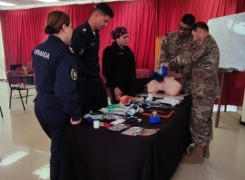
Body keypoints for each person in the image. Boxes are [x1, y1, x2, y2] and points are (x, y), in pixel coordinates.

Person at [32, 11, 82, 180]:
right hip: (55, 107)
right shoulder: (64, 53)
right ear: (64, 27)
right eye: (71, 25)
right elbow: (65, 89)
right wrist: (75, 113)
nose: (73, 29)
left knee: (57, 145)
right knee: (59, 150)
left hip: (40, 103)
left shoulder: (39, 48)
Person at [164, 22, 220, 164]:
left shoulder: (204, 43)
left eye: (193, 34)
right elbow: (195, 65)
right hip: (207, 89)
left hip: (203, 90)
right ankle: (205, 150)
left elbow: (186, 57)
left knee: (199, 121)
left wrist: (168, 64)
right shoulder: (211, 43)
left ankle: (197, 154)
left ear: (199, 30)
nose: (193, 38)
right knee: (206, 120)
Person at [71, 3, 114, 114]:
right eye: (105, 21)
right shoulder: (81, 33)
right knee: (85, 113)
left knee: (103, 108)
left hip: (94, 77)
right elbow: (74, 58)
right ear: (96, 16)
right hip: (84, 80)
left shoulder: (96, 33)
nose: (106, 25)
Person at [158, 14, 196, 94]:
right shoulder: (168, 38)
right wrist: (161, 72)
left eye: (186, 29)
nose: (182, 31)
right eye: (180, 27)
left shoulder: (194, 42)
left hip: (186, 81)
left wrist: (181, 75)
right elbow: (162, 57)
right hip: (168, 78)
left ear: (191, 29)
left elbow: (194, 64)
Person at [102, 26, 136, 104]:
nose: (127, 39)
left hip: (129, 85)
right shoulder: (109, 51)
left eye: (128, 37)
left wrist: (134, 83)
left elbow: (132, 69)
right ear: (117, 38)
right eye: (124, 37)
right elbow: (107, 71)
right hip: (117, 87)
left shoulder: (128, 51)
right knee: (118, 109)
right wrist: (115, 87)